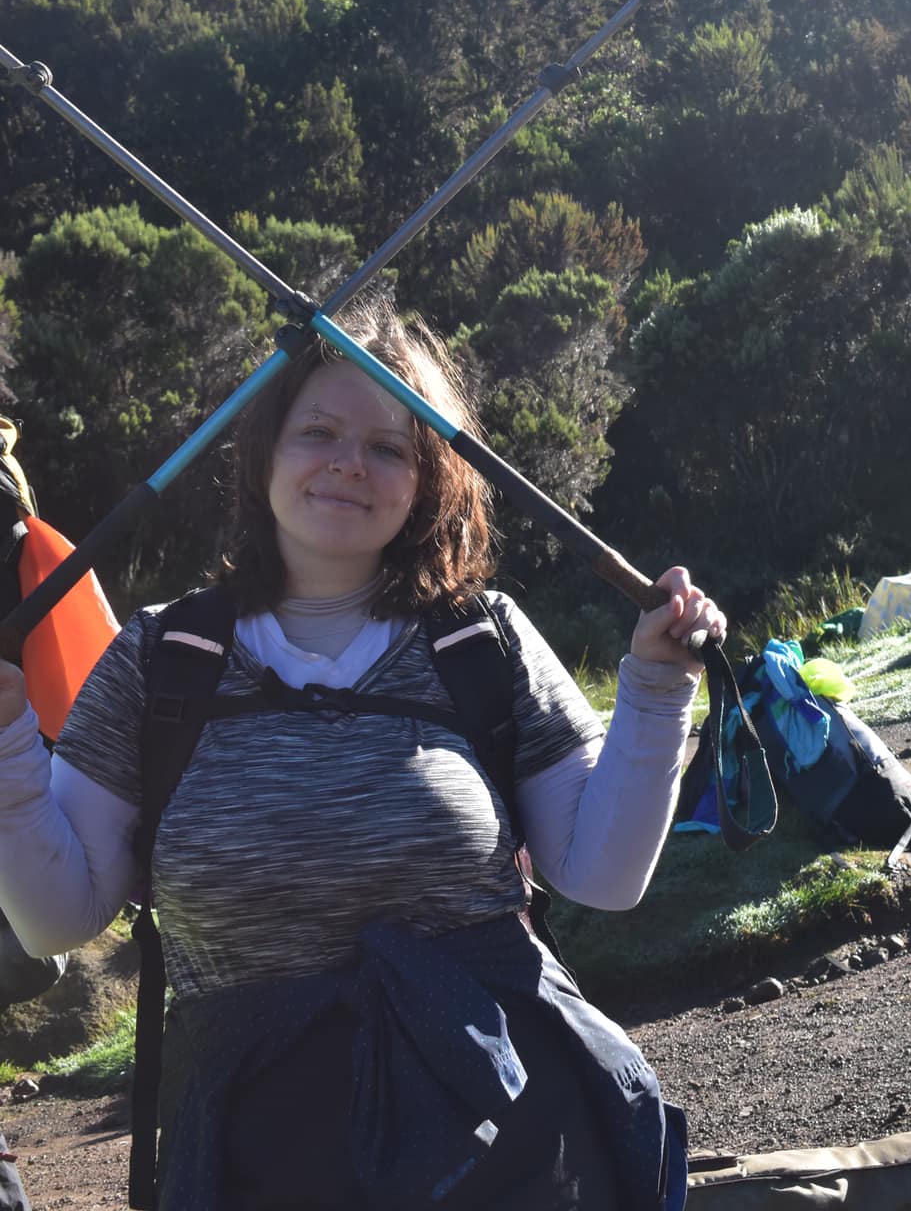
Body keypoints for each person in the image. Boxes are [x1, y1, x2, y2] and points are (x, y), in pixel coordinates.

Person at [0, 295, 724, 1209]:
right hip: (255, 1159)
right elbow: (55, 918)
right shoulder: (160, 660)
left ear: (429, 478)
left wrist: (659, 685)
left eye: (390, 446)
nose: (350, 463)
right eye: (319, 431)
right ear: (264, 450)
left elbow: (603, 874)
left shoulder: (481, 643)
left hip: (517, 1148)